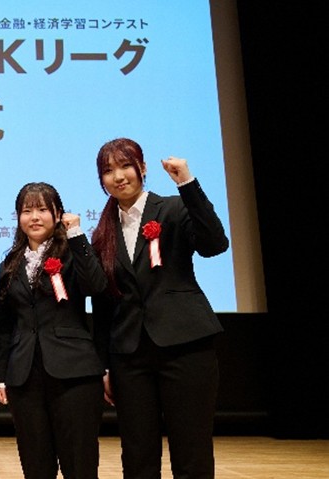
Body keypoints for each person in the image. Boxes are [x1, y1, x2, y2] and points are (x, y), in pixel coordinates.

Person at [90, 138, 229, 479]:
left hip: (185, 346)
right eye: (108, 170)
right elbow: (104, 304)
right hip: (129, 356)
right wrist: (104, 365)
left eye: (125, 166)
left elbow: (214, 244)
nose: (118, 176)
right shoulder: (103, 233)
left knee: (191, 450)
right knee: (137, 454)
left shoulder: (174, 208)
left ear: (143, 168)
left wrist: (187, 183)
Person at [0, 182, 108, 479]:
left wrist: (77, 234)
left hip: (75, 372)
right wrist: (0, 375)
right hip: (24, 374)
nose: (34, 217)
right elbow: (4, 324)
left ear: (58, 214)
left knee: (79, 463)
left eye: (43, 209)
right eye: (27, 211)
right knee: (35, 464)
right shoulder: (9, 263)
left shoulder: (73, 252)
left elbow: (96, 286)